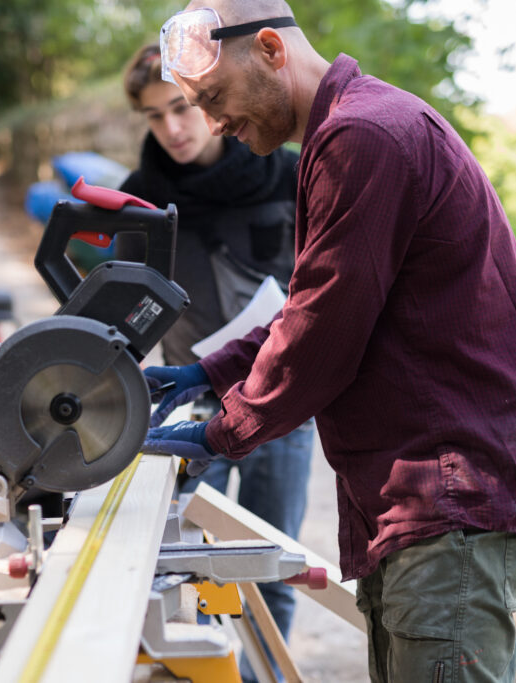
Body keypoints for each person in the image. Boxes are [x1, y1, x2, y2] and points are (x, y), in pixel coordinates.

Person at [139, 2, 516, 682]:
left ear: (272, 50)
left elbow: (323, 334)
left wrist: (226, 430)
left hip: (449, 492)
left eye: (214, 99)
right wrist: (204, 374)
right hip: (417, 498)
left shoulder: (365, 136)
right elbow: (316, 300)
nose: (212, 123)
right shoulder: (345, 134)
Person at [117, 43, 315, 676]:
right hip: (188, 398)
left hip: (283, 397)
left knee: (269, 561)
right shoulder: (139, 198)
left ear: (208, 102)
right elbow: (116, 311)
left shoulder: (286, 173)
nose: (172, 128)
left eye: (181, 107)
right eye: (154, 116)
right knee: (185, 565)